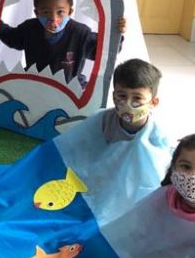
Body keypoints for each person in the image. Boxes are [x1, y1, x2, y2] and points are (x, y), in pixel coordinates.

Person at [53, 58, 171, 224]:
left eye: (137, 98)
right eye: (122, 96)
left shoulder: (157, 137)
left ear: (153, 102)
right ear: (113, 95)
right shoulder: (103, 120)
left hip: (126, 191)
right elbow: (76, 147)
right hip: (99, 180)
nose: (128, 104)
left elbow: (151, 176)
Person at [0, 0, 126, 84]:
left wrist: (117, 32)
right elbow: (9, 36)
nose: (53, 18)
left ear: (70, 12)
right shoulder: (29, 28)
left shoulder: (81, 34)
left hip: (71, 91)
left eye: (60, 12)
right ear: (36, 12)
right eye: (46, 12)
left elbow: (107, 49)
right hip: (35, 86)